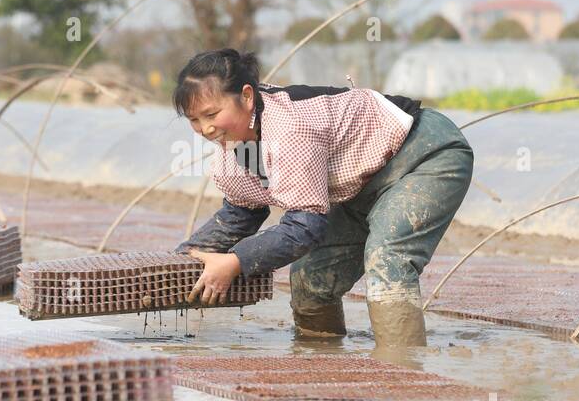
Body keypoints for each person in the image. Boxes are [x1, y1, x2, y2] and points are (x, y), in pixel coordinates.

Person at [173, 48, 474, 347]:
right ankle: (321, 356)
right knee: (309, 280)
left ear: (247, 97)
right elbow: (240, 214)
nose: (206, 129)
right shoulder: (233, 149)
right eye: (194, 120)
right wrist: (186, 257)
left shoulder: (291, 128)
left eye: (212, 114)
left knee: (387, 259)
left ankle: (404, 368)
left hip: (422, 155)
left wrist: (236, 262)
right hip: (359, 184)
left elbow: (305, 228)